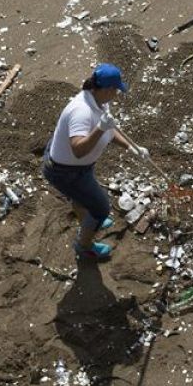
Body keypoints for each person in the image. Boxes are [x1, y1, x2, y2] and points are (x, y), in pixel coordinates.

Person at [42, 63, 149, 260]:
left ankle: (86, 219)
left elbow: (109, 128)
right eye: (116, 89)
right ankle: (84, 246)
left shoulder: (99, 101)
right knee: (101, 208)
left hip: (79, 168)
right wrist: (99, 128)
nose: (117, 94)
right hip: (65, 171)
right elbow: (79, 150)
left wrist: (131, 147)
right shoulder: (81, 111)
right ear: (107, 89)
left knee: (82, 197)